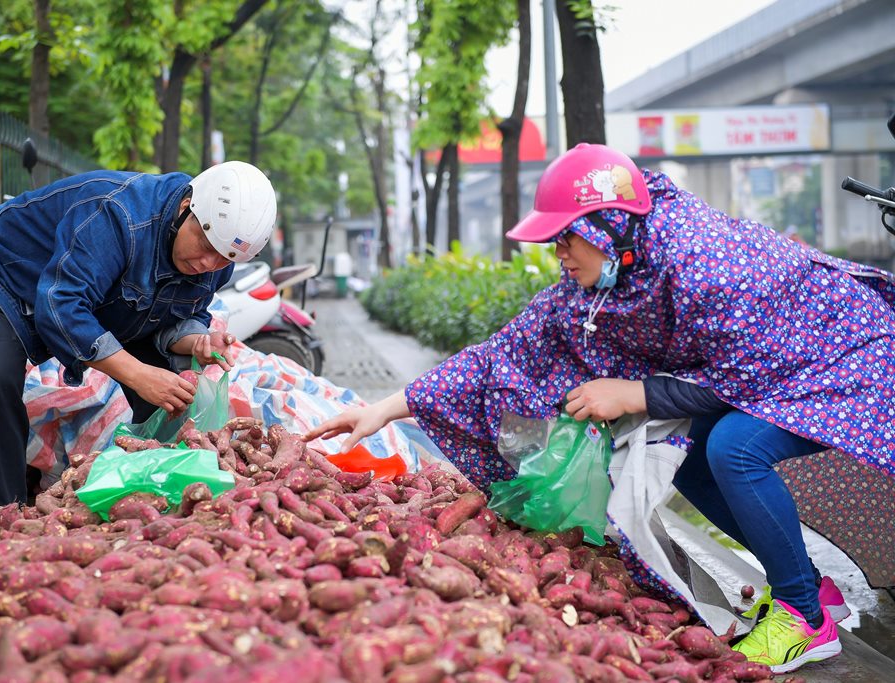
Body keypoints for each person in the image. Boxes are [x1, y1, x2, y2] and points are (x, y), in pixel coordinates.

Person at [305, 143, 895, 674]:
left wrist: (635, 393)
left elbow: (746, 373)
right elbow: (505, 351)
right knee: (689, 460)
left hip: (842, 359)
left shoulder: (702, 262)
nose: (557, 253)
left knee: (733, 450)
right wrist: (388, 407)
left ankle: (804, 618)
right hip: (773, 371)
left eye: (566, 236)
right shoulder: (610, 274)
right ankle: (814, 590)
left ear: (607, 225)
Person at [0, 160, 277, 527]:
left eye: (224, 257)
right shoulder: (118, 215)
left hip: (99, 296)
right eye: (206, 245)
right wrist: (136, 374)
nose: (208, 262)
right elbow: (60, 306)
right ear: (186, 210)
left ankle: (164, 500)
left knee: (174, 398)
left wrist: (196, 339)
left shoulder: (217, 257)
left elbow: (176, 315)